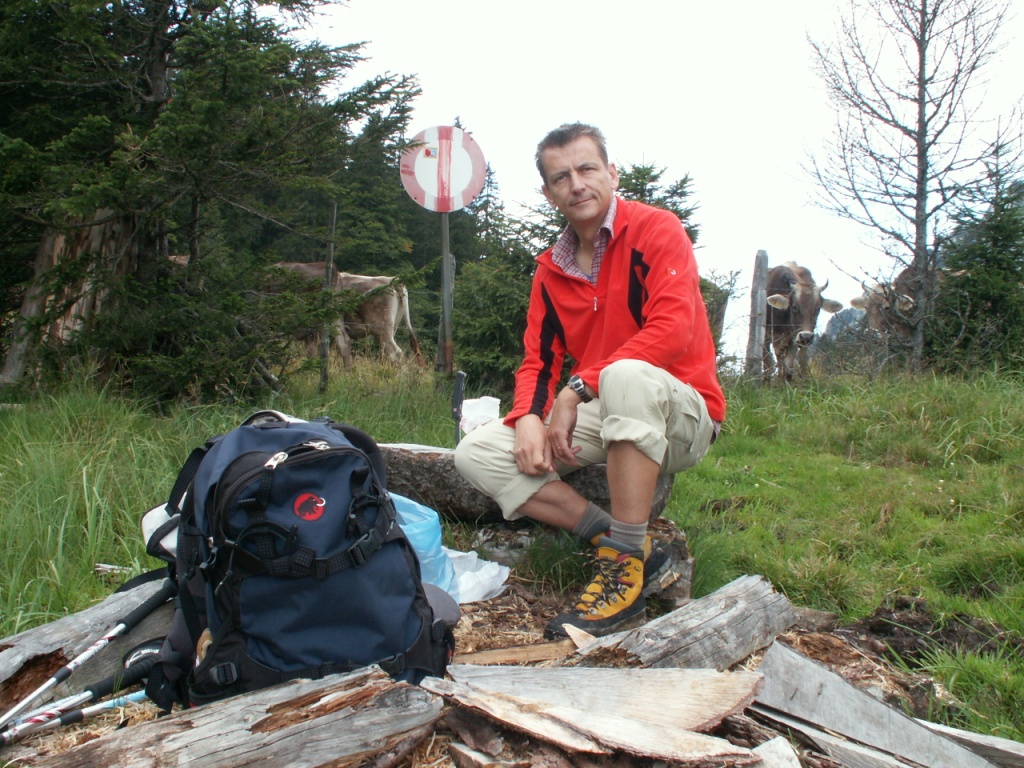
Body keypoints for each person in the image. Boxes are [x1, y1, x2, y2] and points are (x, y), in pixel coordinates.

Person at [454, 122, 726, 638]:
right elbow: (537, 360)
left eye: (587, 169)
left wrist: (577, 388)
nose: (576, 184)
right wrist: (527, 418)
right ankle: (629, 547)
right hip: (610, 407)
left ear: (611, 173)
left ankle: (621, 580)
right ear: (548, 192)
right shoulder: (551, 271)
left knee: (625, 375)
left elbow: (673, 329)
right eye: (561, 177)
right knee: (477, 453)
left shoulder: (657, 230)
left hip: (683, 414)